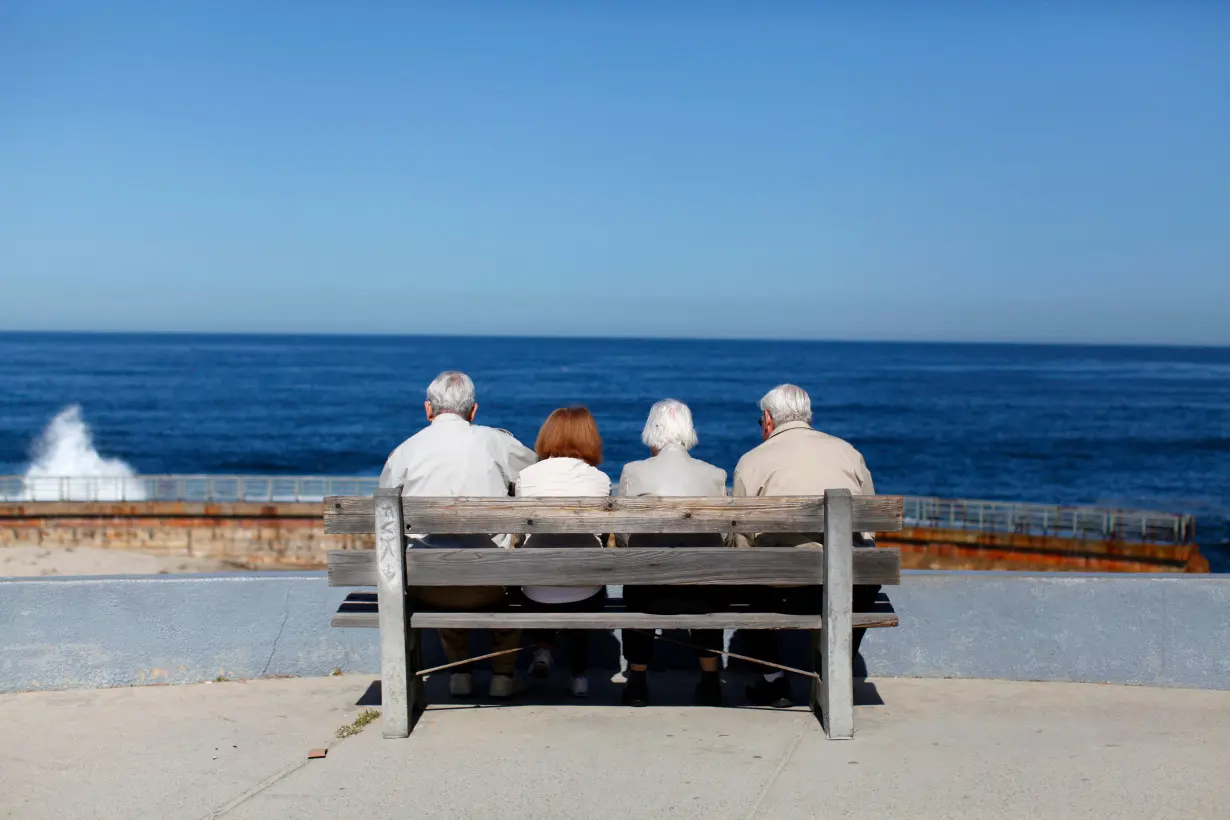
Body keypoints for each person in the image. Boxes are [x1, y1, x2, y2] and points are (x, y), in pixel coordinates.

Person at [378, 371, 537, 700]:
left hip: (429, 586)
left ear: (428, 409)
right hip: (493, 586)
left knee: (439, 556)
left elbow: (384, 518)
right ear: (474, 411)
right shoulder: (497, 442)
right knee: (501, 564)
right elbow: (537, 476)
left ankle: (460, 674)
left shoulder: (405, 452)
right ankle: (503, 676)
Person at [732, 383, 881, 708]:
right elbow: (870, 529)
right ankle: (833, 666)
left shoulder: (752, 461)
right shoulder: (848, 453)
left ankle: (772, 681)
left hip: (786, 590)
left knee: (742, 576)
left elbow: (740, 541)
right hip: (851, 585)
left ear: (768, 419)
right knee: (862, 574)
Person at [615, 399, 728, 707]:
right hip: (702, 593)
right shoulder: (714, 474)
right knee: (709, 579)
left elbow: (624, 535)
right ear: (688, 431)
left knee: (637, 582)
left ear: (652, 430)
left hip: (648, 592)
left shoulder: (632, 472)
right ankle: (710, 681)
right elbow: (725, 537)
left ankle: (637, 682)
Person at [514, 407, 611, 698]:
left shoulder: (526, 476)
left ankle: (543, 649)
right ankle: (580, 676)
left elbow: (520, 536)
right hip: (584, 590)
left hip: (535, 591)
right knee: (584, 583)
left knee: (540, 574)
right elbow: (603, 537)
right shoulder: (600, 480)